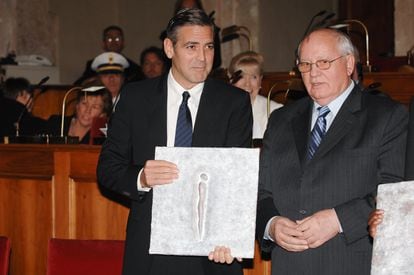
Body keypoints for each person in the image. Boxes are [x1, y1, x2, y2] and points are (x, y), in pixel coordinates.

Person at [97, 8, 252, 275]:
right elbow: (108, 169)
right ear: (169, 48)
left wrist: (231, 236)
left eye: (209, 47)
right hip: (151, 247)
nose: (202, 58)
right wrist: (142, 177)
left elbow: (237, 181)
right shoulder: (135, 98)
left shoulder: (233, 102)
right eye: (191, 47)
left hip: (213, 251)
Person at [256, 28, 408, 274]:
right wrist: (271, 225)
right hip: (289, 265)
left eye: (323, 62)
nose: (313, 73)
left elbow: (395, 193)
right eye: (305, 65)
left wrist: (338, 220)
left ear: (349, 64)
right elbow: (261, 192)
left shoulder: (387, 116)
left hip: (349, 261)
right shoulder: (281, 119)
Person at [228, 51, 283, 140]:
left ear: (260, 80)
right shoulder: (220, 110)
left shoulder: (275, 111)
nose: (247, 84)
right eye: (241, 77)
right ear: (231, 80)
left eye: (254, 77)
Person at [74, 25, 144, 85]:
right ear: (103, 44)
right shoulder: (93, 66)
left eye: (117, 39)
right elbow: (79, 84)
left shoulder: (133, 68)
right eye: (109, 39)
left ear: (123, 43)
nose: (114, 42)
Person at [47, 84, 112, 144]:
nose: (87, 111)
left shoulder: (101, 139)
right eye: (84, 103)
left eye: (95, 107)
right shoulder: (56, 123)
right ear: (77, 105)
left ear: (102, 114)